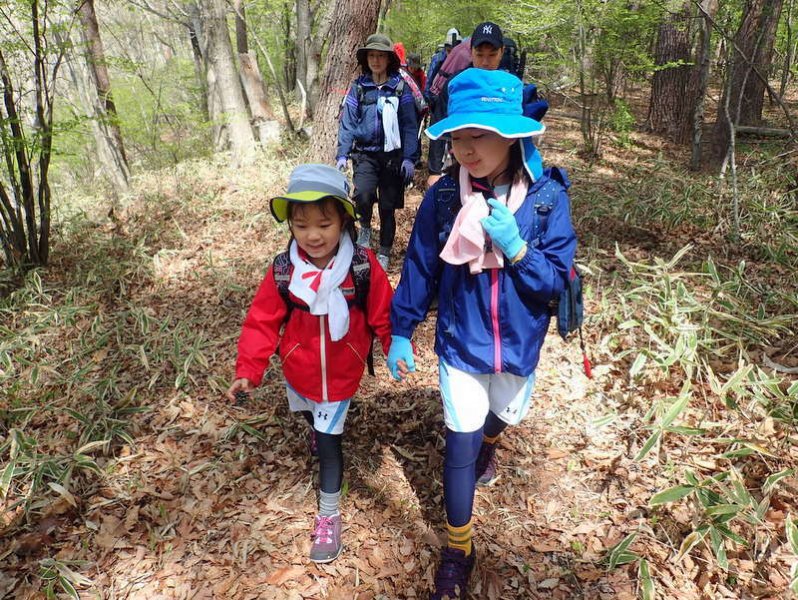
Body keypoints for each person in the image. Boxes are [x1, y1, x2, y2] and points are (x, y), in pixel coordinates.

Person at [387, 69, 577, 599]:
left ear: (512, 134)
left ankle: (493, 439)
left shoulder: (545, 200)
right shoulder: (444, 198)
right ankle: (457, 548)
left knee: (504, 414)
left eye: (479, 135)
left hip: (519, 345)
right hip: (461, 344)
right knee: (460, 443)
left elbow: (553, 285)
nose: (464, 148)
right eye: (456, 136)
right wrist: (402, 329)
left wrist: (517, 248)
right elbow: (422, 265)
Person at [227, 164, 393, 564]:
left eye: (324, 223)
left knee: (329, 447)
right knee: (313, 423)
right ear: (291, 227)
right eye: (301, 226)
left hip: (340, 376)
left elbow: (385, 313)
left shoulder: (362, 267)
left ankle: (329, 517)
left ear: (343, 221)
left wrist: (395, 346)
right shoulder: (285, 271)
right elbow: (262, 322)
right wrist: (248, 371)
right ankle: (317, 431)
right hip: (298, 372)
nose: (313, 235)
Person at [337, 33, 419, 271]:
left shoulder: (399, 88)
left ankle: (384, 251)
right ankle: (364, 227)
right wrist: (343, 154)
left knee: (387, 207)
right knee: (362, 194)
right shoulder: (358, 88)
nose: (375, 60)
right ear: (366, 59)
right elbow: (348, 123)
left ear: (388, 60)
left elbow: (409, 125)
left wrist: (409, 158)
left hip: (393, 158)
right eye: (372, 55)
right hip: (365, 154)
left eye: (380, 56)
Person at [426, 22, 506, 189]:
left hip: (501, 171)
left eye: (492, 55)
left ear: (502, 52)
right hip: (463, 161)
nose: (485, 62)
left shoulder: (509, 86)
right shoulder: (456, 84)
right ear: (471, 52)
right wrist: (434, 171)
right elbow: (439, 122)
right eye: (479, 54)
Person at [424, 28, 460, 99]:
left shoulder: (462, 59)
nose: (451, 54)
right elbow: (429, 80)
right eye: (449, 50)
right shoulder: (437, 59)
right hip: (438, 98)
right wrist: (429, 99)